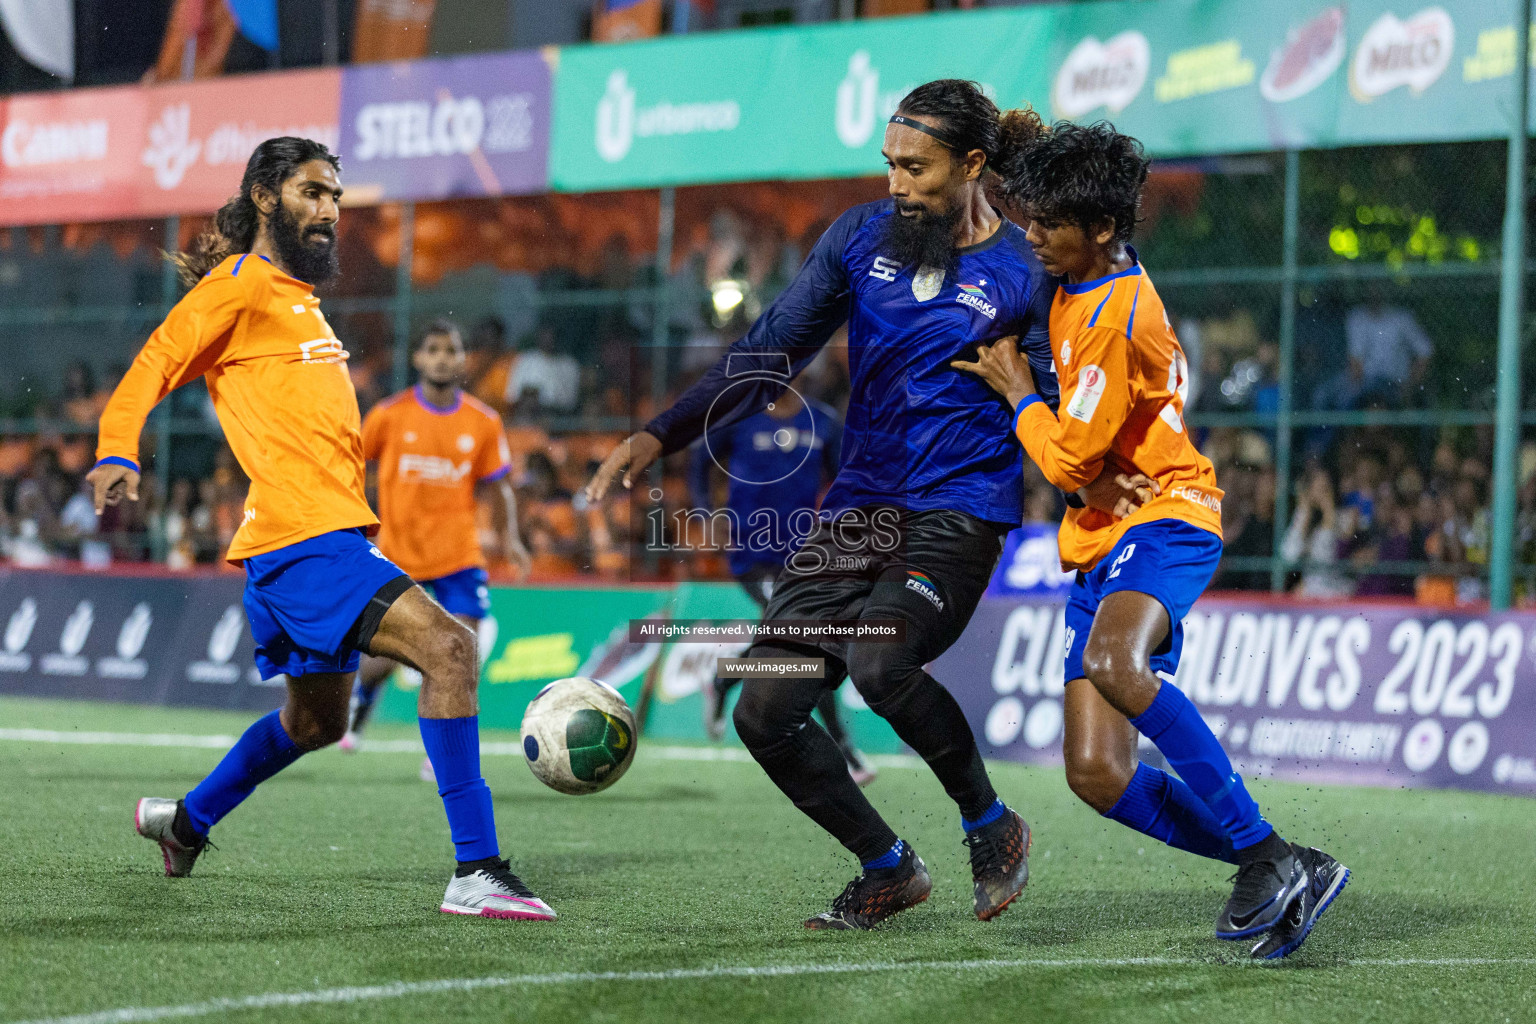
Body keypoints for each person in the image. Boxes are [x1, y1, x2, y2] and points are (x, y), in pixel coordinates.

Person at [585, 81, 1140, 931]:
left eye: (916, 167)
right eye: (889, 164)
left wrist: (1097, 474)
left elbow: (1066, 397)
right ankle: (888, 867)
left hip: (961, 509)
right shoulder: (859, 239)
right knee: (763, 710)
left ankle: (992, 826)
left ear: (973, 165)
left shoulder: (1030, 269)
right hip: (858, 512)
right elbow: (769, 349)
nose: (896, 182)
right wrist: (663, 434)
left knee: (881, 662)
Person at [88, 137, 554, 921]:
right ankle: (477, 870)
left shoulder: (295, 298)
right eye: (312, 193)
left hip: (305, 542)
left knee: (316, 721)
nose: (329, 211)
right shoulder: (239, 284)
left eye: (336, 197)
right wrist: (114, 448)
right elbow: (154, 363)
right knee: (450, 649)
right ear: (266, 197)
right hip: (306, 542)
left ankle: (185, 823)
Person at [955, 120, 1347, 960]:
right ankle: (1275, 859)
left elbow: (1068, 460)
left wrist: (1020, 390)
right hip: (1102, 536)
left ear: (1099, 231)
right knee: (1096, 775)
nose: (1032, 237)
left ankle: (1270, 858)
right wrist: (1011, 144)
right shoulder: (1083, 259)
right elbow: (1082, 477)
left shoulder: (1115, 313)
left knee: (1115, 665)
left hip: (1167, 513)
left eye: (1047, 226)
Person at [341, 319, 534, 771]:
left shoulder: (483, 422)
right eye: (434, 349)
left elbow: (500, 486)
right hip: (397, 555)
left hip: (457, 557)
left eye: (452, 350)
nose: (443, 357)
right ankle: (362, 699)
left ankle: (446, 753)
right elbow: (351, 468)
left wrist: (512, 539)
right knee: (383, 657)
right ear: (419, 358)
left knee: (459, 650)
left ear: (464, 360)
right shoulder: (389, 416)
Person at [686, 374, 876, 786]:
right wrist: (704, 513)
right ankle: (844, 748)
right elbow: (700, 461)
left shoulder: (823, 422)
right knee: (806, 637)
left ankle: (723, 679)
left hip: (803, 555)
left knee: (797, 641)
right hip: (751, 554)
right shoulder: (740, 417)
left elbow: (850, 480)